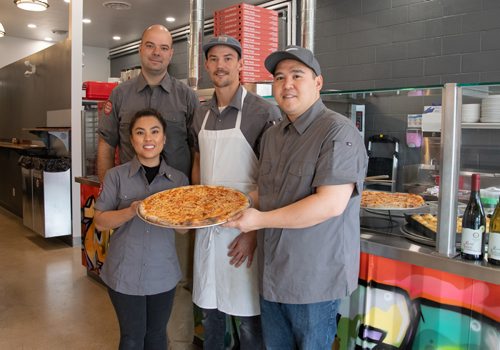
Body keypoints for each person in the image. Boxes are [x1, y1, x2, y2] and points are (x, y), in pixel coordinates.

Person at [224, 46, 368, 349]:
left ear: (318, 83)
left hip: (313, 281)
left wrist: (258, 220)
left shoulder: (337, 132)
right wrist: (236, 204)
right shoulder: (275, 135)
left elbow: (330, 203)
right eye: (279, 77)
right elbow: (269, 191)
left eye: (296, 75)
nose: (286, 84)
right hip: (273, 274)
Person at [189, 35, 281, 349]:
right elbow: (198, 160)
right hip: (208, 229)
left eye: (228, 58)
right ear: (206, 65)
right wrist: (195, 213)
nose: (220, 65)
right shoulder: (200, 114)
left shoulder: (262, 112)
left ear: (241, 64)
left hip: (244, 229)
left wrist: (253, 231)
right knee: (210, 316)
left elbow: (271, 180)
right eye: (213, 59)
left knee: (249, 324)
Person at [94, 108, 189, 350]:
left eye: (155, 132)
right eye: (140, 132)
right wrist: (131, 211)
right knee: (132, 338)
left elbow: (183, 231)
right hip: (125, 272)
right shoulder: (116, 177)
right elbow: (100, 221)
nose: (148, 139)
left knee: (157, 336)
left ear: (164, 138)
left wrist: (181, 219)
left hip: (162, 272)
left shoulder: (179, 181)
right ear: (132, 139)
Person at [97, 24, 200, 181]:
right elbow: (107, 145)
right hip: (129, 196)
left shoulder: (187, 96)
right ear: (140, 49)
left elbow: (196, 150)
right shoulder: (119, 95)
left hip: (178, 197)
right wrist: (107, 191)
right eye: (150, 46)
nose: (156, 53)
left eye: (164, 48)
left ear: (171, 54)